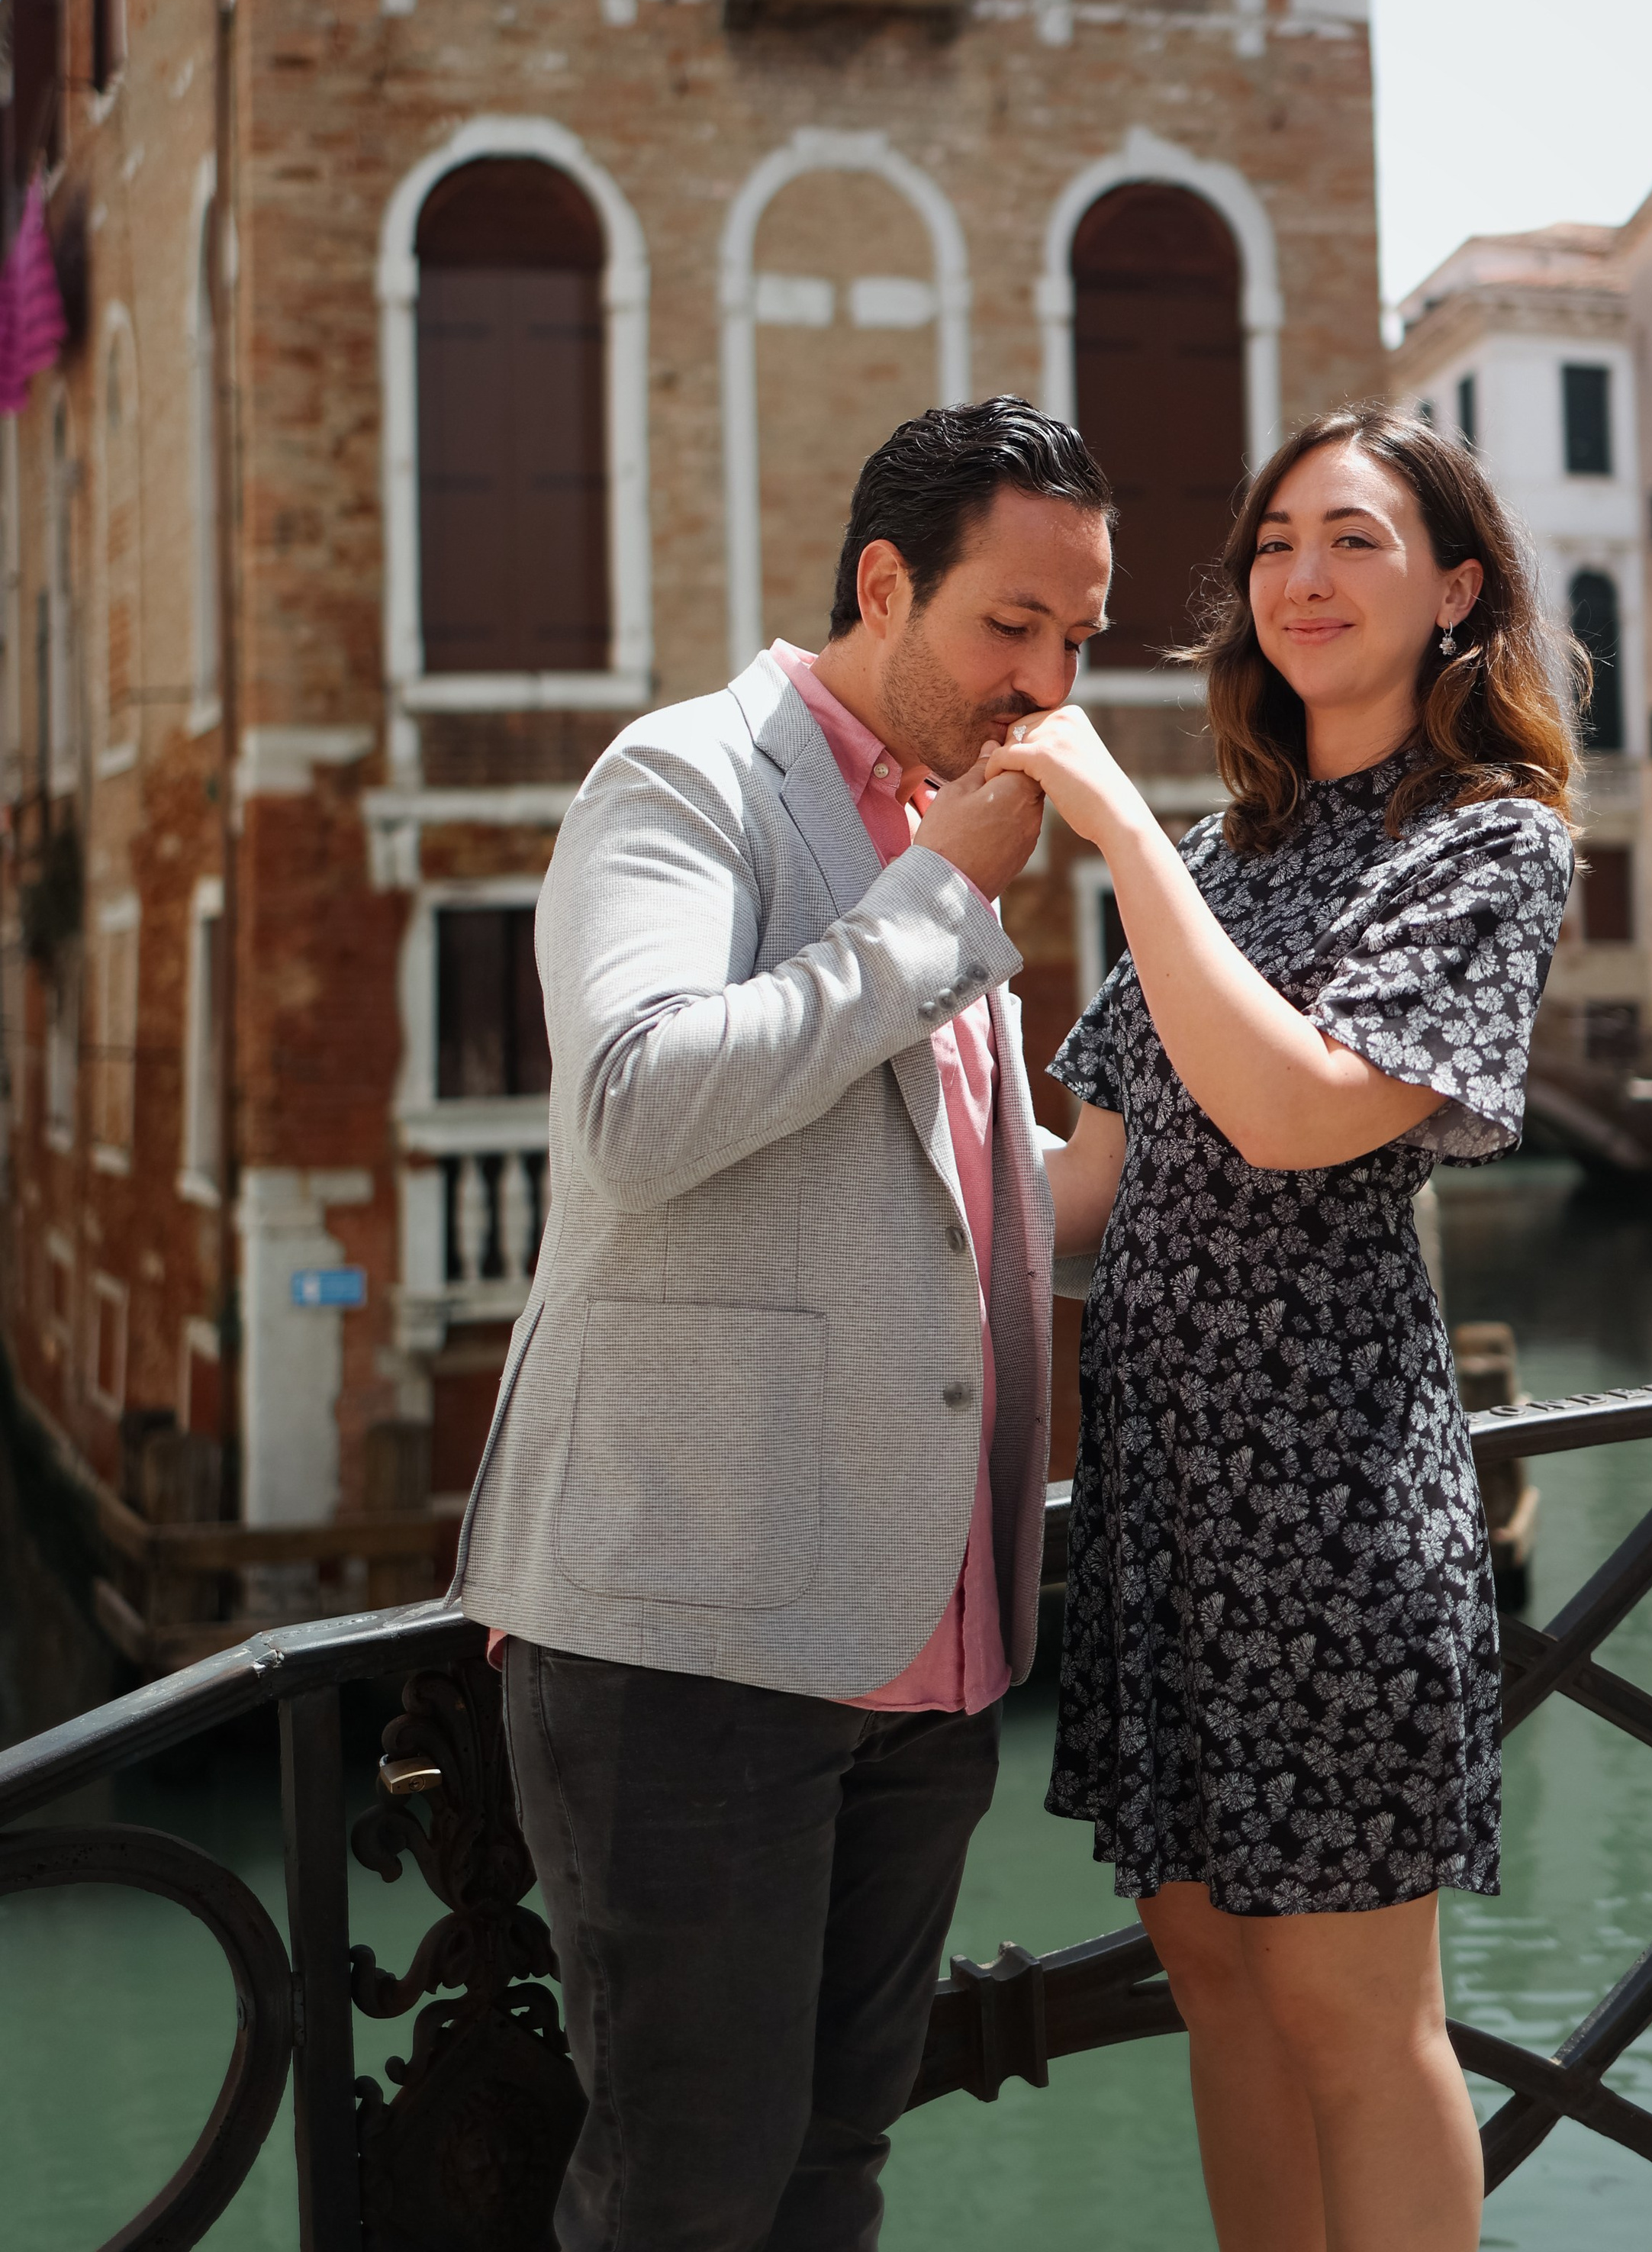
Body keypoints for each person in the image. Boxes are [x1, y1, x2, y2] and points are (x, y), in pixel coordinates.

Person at [452, 397, 1116, 2252]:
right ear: (882, 584)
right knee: (684, 2200)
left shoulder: (938, 830)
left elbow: (987, 1192)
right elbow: (636, 1105)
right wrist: (938, 901)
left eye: (1076, 638)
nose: (1045, 683)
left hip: (929, 1648)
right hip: (693, 1649)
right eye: (1009, 625)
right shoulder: (687, 777)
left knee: (832, 2174)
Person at [988, 405, 1577, 2252]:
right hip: (1163, 1509)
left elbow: (1296, 1114)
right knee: (1219, 1992)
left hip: (1329, 1510)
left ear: (1455, 589)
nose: (1299, 578)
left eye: (1351, 539)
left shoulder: (1485, 846)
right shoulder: (1215, 854)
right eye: (1271, 546)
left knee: (1351, 2024)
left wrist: (1110, 834)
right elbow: (1082, 1202)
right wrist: (876, 1047)